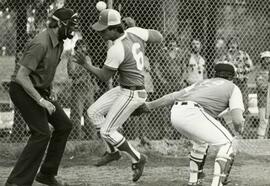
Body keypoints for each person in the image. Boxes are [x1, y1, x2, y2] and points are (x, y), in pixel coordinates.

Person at [73, 9, 163, 182]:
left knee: (107, 131)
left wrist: (85, 64)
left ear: (115, 28)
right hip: (125, 88)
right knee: (93, 112)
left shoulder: (116, 49)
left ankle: (138, 158)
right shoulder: (134, 32)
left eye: (104, 29)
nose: (100, 32)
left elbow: (104, 77)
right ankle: (113, 151)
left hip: (132, 93)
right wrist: (136, 29)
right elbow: (158, 36)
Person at [134, 61, 245, 186]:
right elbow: (237, 120)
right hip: (194, 113)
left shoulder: (203, 82)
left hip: (176, 113)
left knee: (201, 142)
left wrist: (149, 105)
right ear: (232, 76)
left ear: (216, 74)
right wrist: (239, 130)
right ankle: (217, 184)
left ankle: (193, 181)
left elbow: (172, 96)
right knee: (229, 143)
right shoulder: (233, 88)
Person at [5, 8, 78, 186]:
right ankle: (16, 182)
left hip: (40, 90)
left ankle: (46, 174)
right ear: (59, 24)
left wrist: (49, 90)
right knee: (41, 133)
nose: (73, 30)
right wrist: (41, 100)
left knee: (64, 125)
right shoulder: (40, 43)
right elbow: (22, 76)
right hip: (22, 89)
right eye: (70, 25)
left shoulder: (59, 42)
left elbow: (47, 69)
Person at [67, 39, 98, 140]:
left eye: (85, 47)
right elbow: (71, 73)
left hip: (88, 87)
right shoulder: (72, 58)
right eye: (83, 47)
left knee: (90, 113)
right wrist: (83, 68)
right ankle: (76, 137)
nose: (85, 49)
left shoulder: (87, 58)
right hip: (78, 88)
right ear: (78, 48)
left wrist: (94, 83)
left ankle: (91, 137)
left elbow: (91, 72)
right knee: (77, 114)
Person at [220, 37, 253, 111]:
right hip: (230, 82)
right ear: (228, 45)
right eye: (231, 43)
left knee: (243, 101)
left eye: (235, 43)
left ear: (237, 45)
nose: (232, 45)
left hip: (242, 81)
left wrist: (240, 70)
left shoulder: (243, 54)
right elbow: (222, 67)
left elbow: (250, 67)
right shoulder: (226, 55)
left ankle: (243, 117)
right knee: (230, 101)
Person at [255, 51, 270, 139]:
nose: (267, 61)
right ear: (262, 61)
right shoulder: (260, 73)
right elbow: (263, 87)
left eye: (269, 59)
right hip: (263, 102)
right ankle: (260, 143)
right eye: (265, 59)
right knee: (263, 122)